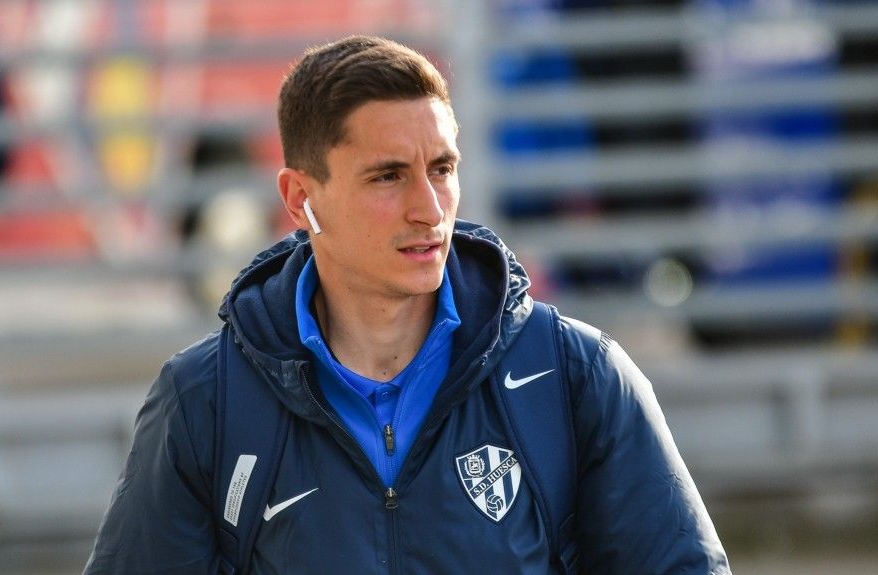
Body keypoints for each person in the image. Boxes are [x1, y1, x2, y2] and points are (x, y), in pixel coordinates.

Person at [83, 35, 730, 574]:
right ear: (299, 197)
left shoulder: (574, 377)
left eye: (442, 169)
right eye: (388, 175)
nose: (429, 209)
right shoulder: (207, 402)